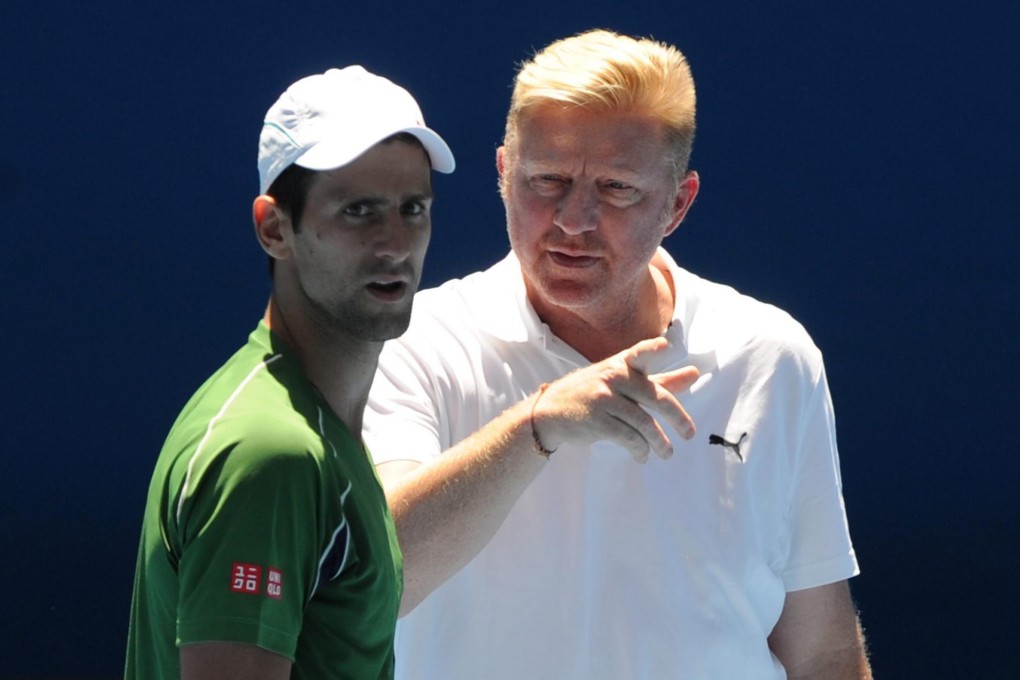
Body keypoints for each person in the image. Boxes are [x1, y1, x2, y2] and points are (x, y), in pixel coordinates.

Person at [363, 29, 871, 679]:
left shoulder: (772, 355)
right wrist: (537, 425)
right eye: (545, 180)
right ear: (502, 174)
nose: (573, 220)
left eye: (617, 188)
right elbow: (380, 580)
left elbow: (821, 647)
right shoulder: (412, 340)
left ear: (678, 204)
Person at [124, 65, 455, 679]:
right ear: (275, 228)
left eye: (413, 209)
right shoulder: (273, 454)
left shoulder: (314, 428)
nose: (395, 243)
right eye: (359, 211)